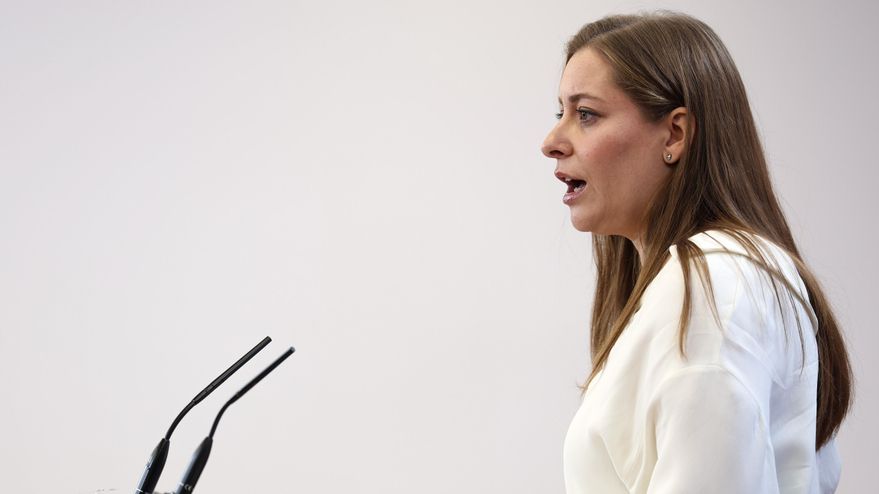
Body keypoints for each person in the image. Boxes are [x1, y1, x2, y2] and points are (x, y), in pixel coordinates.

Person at [540, 11, 852, 494]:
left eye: (586, 115)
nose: (552, 142)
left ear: (674, 134)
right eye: (560, 113)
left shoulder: (711, 285)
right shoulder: (718, 277)